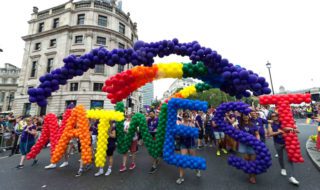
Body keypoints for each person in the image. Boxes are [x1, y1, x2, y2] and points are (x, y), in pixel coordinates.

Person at [267, 113, 300, 185]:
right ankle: (282, 168)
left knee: (289, 159)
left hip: (287, 143)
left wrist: (293, 128)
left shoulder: (284, 122)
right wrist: (279, 131)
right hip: (278, 143)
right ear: (271, 118)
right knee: (280, 157)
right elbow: (270, 134)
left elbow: (295, 129)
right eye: (273, 116)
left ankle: (291, 177)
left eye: (276, 115)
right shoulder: (271, 125)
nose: (275, 117)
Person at [176, 112, 201, 185]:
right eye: (184, 116)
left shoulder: (191, 124)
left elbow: (196, 133)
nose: (186, 117)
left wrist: (194, 128)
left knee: (193, 159)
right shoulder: (180, 124)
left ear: (189, 117)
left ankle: (197, 169)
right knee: (182, 160)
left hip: (191, 144)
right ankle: (181, 177)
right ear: (183, 117)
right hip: (183, 144)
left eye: (187, 116)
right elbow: (178, 134)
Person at [237, 114, 259, 184]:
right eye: (244, 116)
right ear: (242, 117)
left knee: (253, 161)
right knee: (247, 160)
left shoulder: (253, 125)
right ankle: (250, 174)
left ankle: (253, 176)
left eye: (246, 115)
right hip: (244, 145)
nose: (245, 117)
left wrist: (257, 142)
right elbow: (237, 133)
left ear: (248, 116)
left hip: (252, 145)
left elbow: (257, 134)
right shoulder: (240, 125)